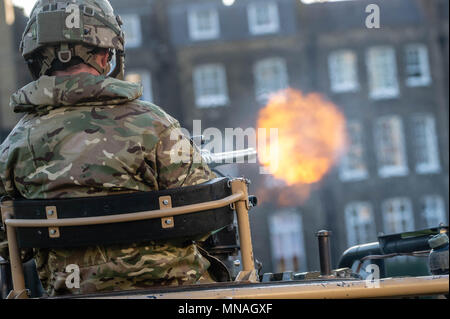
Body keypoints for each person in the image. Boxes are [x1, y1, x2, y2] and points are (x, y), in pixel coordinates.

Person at [0, 0, 217, 296]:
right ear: (105, 55)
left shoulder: (14, 144)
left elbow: (6, 242)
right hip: (178, 293)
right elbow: (206, 219)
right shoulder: (155, 123)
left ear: (37, 56)